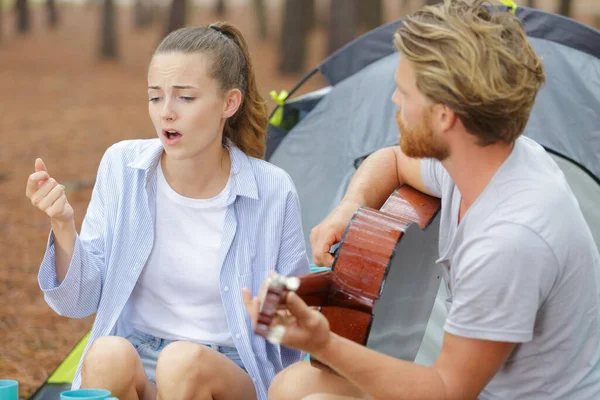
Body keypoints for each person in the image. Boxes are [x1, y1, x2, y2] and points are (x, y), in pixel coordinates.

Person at [243, 1, 600, 399]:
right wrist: (350, 207)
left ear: (444, 115)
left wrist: (323, 343)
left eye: (405, 90)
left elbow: (447, 389)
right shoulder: (483, 156)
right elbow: (393, 160)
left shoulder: (511, 240)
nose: (395, 100)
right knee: (291, 385)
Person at [26, 22, 310, 400]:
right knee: (106, 352)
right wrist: (63, 226)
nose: (166, 113)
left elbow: (289, 320)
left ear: (230, 103)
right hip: (140, 351)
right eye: (155, 97)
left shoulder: (272, 189)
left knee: (181, 362)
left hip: (233, 367)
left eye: (185, 98)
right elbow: (78, 302)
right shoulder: (122, 166)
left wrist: (277, 314)